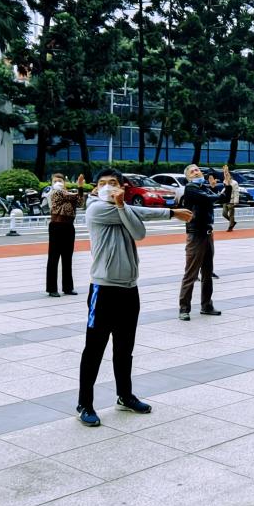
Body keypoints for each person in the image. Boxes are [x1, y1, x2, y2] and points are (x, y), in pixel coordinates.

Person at [77, 168, 193, 426]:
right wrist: (171, 213)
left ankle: (125, 396)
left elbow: (138, 232)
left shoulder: (123, 210)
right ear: (95, 188)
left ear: (123, 187)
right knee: (94, 349)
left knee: (124, 347)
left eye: (113, 182)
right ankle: (84, 403)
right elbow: (139, 218)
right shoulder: (95, 209)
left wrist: (123, 207)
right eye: (103, 183)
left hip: (129, 289)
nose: (108, 187)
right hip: (103, 289)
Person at [178, 163, 232, 320]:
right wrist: (219, 192)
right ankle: (184, 308)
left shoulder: (204, 187)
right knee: (191, 273)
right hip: (196, 235)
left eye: (197, 170)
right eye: (192, 171)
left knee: (208, 273)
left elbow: (224, 198)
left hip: (208, 234)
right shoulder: (191, 188)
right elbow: (209, 199)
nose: (196, 172)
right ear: (188, 177)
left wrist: (227, 185)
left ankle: (207, 305)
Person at [46, 172, 86, 297]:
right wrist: (79, 188)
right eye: (55, 181)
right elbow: (74, 197)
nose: (58, 183)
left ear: (64, 182)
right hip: (56, 226)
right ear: (51, 183)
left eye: (60, 181)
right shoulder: (54, 193)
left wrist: (80, 188)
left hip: (69, 226)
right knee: (53, 257)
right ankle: (52, 288)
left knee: (67, 257)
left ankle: (68, 287)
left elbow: (80, 203)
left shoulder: (68, 194)